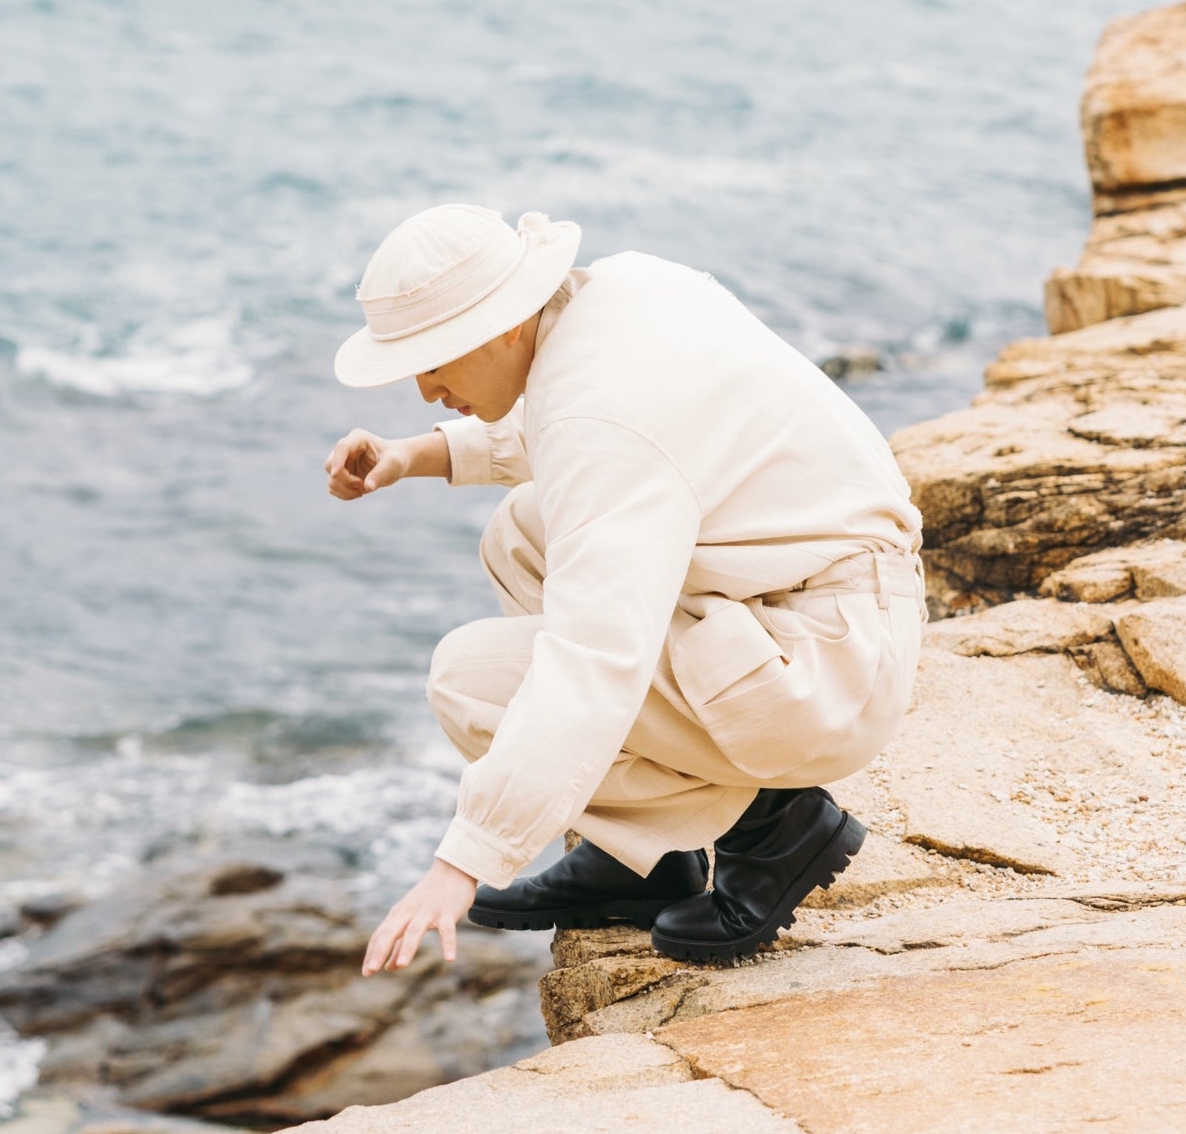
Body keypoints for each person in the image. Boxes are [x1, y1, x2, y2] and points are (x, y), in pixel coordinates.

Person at [327, 205, 924, 980]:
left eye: (434, 357)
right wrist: (418, 454)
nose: (424, 387)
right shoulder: (621, 289)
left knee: (469, 680)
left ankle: (773, 827)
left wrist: (464, 860)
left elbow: (592, 657)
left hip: (826, 669)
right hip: (824, 605)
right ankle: (646, 858)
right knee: (524, 531)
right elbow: (586, 430)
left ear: (506, 323)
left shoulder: (596, 415)